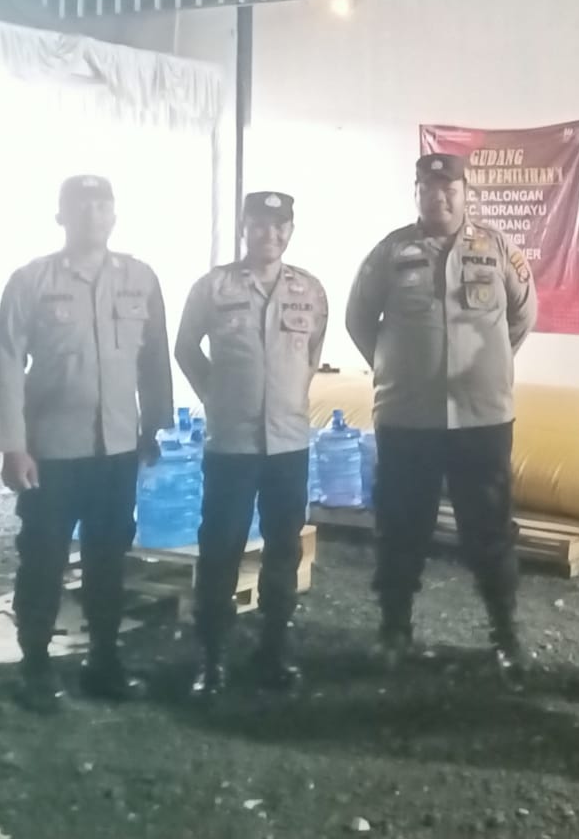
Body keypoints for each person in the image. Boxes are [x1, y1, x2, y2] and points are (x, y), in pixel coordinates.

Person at [0, 175, 173, 713]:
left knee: (108, 557)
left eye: (102, 204)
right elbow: (6, 362)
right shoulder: (32, 280)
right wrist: (13, 446)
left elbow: (154, 357)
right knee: (43, 558)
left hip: (117, 448)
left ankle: (104, 661)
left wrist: (154, 425)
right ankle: (35, 667)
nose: (93, 213)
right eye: (81, 205)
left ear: (114, 215)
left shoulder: (140, 279)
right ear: (61, 216)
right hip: (52, 451)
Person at [344, 152, 538, 680]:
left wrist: (490, 365)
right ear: (417, 193)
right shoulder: (390, 252)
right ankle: (394, 629)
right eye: (429, 189)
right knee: (400, 525)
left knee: (490, 528)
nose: (440, 198)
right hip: (408, 418)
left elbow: (523, 314)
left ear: (465, 192)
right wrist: (399, 368)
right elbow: (358, 319)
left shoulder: (497, 249)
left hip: (482, 417)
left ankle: (504, 634)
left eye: (450, 189)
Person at [175, 191, 328, 699]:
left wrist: (288, 396)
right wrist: (214, 394)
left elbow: (311, 354)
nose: (271, 234)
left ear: (291, 230)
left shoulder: (310, 290)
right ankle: (211, 658)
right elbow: (185, 347)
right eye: (261, 225)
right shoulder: (213, 287)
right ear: (244, 228)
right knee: (221, 548)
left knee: (284, 549)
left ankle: (273, 651)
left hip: (288, 444)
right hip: (232, 444)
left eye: (280, 226)